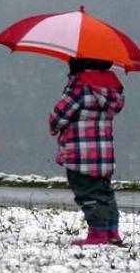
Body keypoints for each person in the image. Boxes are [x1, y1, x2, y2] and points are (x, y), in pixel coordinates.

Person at [49, 58, 127, 246]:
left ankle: (97, 234)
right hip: (103, 155)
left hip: (80, 154)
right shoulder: (112, 91)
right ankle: (111, 231)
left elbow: (59, 116)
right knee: (104, 193)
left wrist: (53, 122)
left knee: (87, 195)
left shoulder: (80, 87)